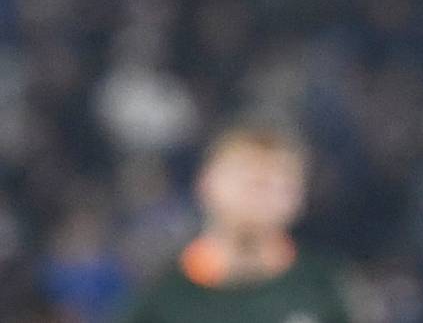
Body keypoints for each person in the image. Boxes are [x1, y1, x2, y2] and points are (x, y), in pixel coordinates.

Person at [121, 124, 350, 323]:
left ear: (299, 196)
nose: (258, 194)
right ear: (206, 183)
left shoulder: (326, 289)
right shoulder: (160, 296)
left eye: (274, 182)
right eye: (245, 178)